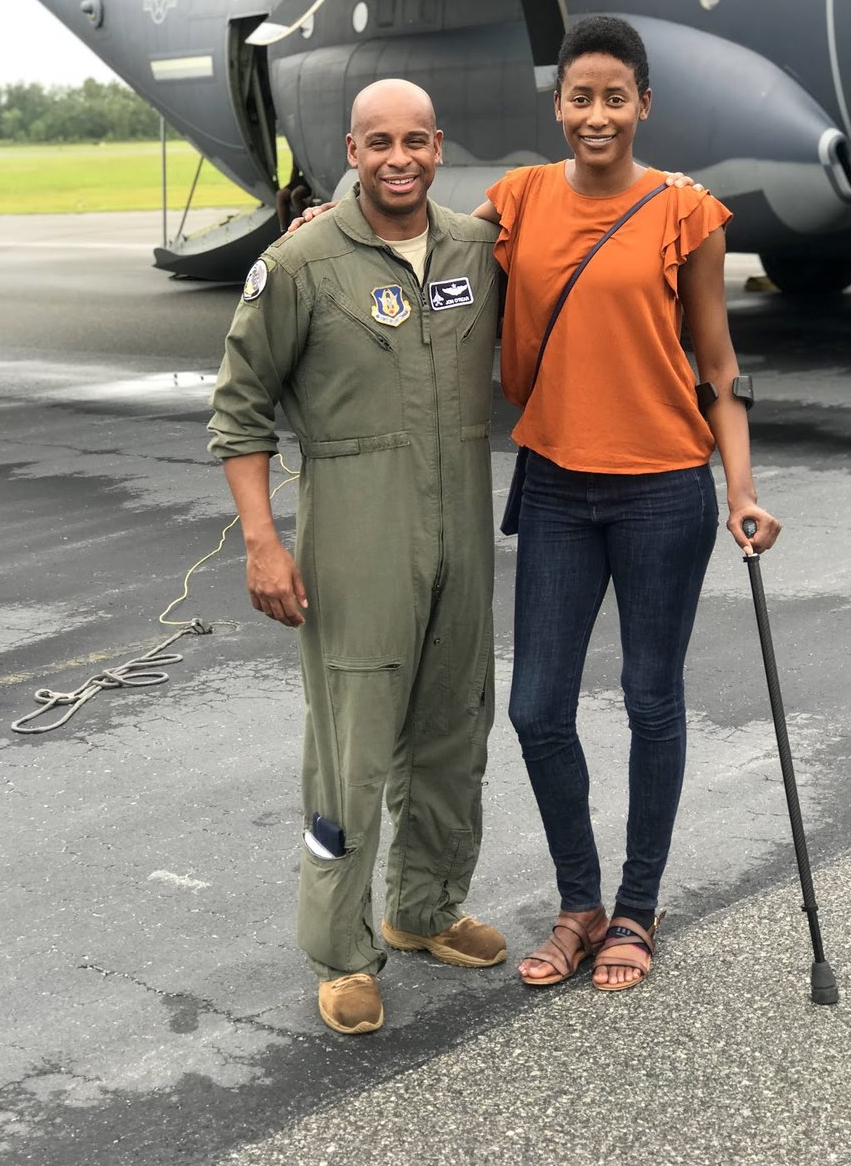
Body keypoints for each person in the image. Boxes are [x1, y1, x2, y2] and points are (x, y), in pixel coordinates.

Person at [470, 15, 781, 993]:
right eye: (579, 96)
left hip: (661, 491)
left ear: (643, 105)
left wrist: (742, 489)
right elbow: (427, 281)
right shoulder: (513, 203)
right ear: (555, 104)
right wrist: (335, 223)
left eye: (614, 96)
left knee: (652, 698)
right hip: (557, 488)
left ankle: (636, 910)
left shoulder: (685, 211)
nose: (595, 114)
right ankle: (579, 902)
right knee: (536, 707)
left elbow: (719, 366)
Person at [207, 79, 508, 1037]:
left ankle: (423, 908)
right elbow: (239, 409)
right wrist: (263, 542)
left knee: (456, 724)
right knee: (353, 746)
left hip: (463, 512)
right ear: (351, 147)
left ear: (439, 144)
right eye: (379, 141)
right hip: (356, 524)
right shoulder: (299, 263)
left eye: (416, 140)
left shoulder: (475, 247)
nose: (399, 158)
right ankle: (341, 953)